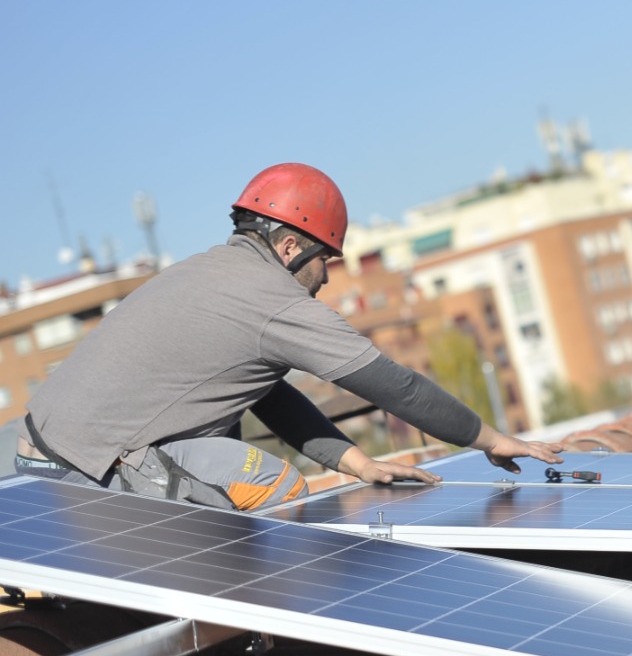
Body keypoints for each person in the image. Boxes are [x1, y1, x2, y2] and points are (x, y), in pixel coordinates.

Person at [13, 162, 563, 510]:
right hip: (83, 475)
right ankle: (237, 631)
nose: (326, 277)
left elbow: (267, 392)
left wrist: (356, 464)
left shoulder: (209, 272)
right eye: (326, 258)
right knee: (277, 487)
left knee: (234, 446)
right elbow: (397, 388)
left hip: (34, 450)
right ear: (291, 248)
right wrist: (489, 439)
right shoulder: (273, 299)